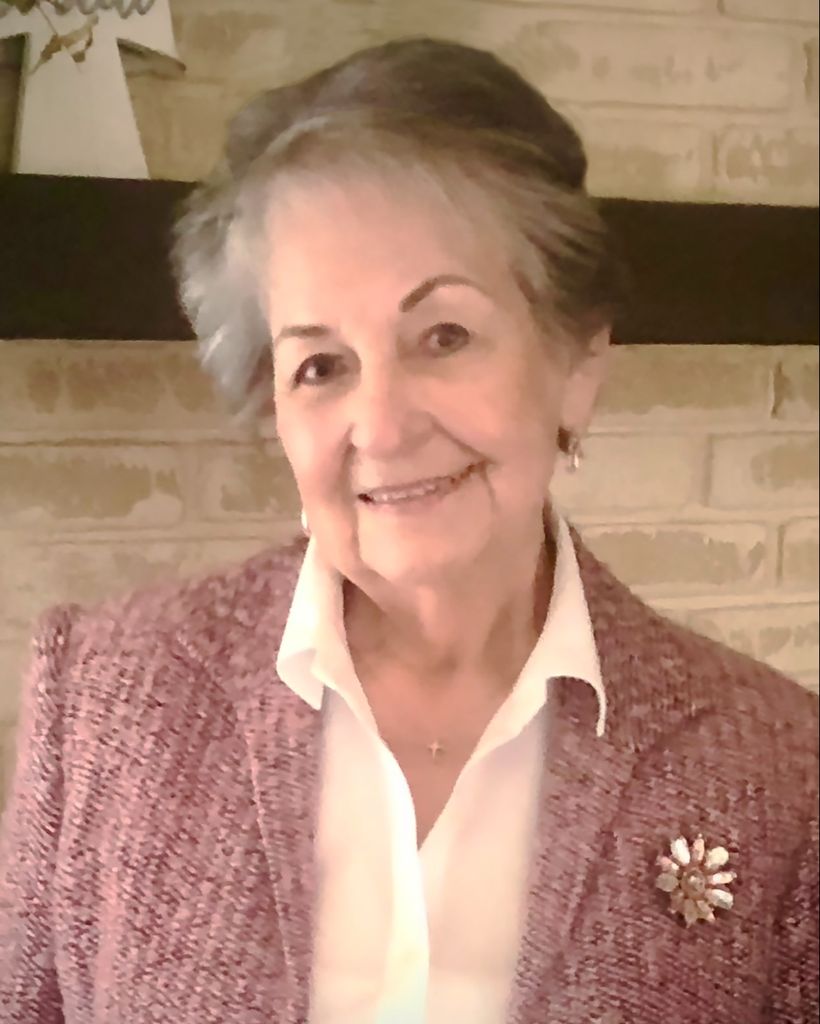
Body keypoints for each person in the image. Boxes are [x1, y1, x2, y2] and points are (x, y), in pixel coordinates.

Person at [0, 36, 817, 1024]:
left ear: (576, 366)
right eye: (321, 366)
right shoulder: (104, 695)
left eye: (444, 337)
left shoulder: (778, 765)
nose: (381, 428)